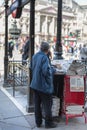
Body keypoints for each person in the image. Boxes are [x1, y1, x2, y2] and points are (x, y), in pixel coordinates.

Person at [30, 41, 57, 128]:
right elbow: (46, 72)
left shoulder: (35, 56)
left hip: (35, 84)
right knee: (47, 105)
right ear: (48, 49)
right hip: (44, 86)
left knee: (37, 105)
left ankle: (38, 122)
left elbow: (31, 67)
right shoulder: (45, 58)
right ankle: (48, 123)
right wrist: (53, 70)